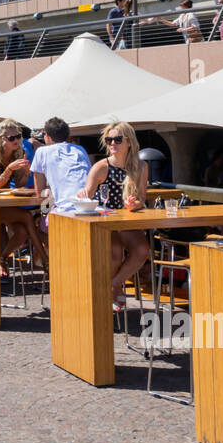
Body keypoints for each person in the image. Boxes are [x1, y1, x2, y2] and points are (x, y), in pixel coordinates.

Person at [76, 122, 149, 305]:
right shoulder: (101, 167)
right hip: (105, 221)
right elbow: (87, 195)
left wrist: (134, 204)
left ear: (129, 142)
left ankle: (115, 284)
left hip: (126, 221)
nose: (112, 144)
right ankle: (105, 300)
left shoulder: (141, 166)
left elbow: (141, 198)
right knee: (115, 253)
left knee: (142, 250)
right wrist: (83, 193)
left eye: (117, 139)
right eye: (109, 140)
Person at [0, 118, 44, 268]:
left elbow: (19, 184)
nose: (16, 140)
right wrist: (9, 169)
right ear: (1, 139)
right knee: (27, 217)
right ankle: (44, 258)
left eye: (18, 137)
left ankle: (2, 258)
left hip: (7, 203)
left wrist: (25, 173)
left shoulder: (19, 152)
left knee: (22, 232)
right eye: (11, 138)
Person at [30, 116, 92, 217]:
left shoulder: (42, 151)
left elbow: (39, 192)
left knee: (40, 223)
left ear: (47, 136)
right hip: (90, 207)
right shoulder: (80, 149)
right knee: (44, 213)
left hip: (65, 210)